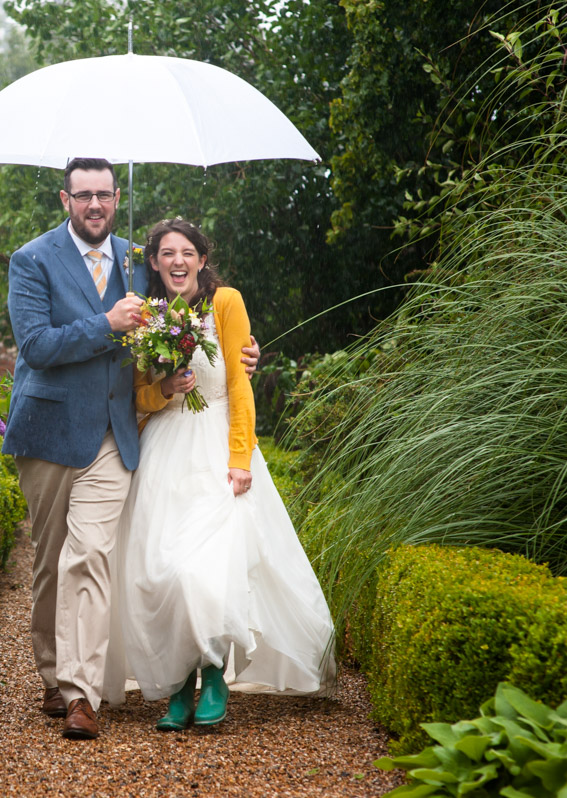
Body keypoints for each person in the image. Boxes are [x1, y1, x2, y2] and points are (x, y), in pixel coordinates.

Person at [2, 161, 260, 740]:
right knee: (50, 561)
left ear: (117, 198)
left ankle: (81, 694)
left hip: (115, 435)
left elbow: (186, 309)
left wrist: (242, 352)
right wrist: (106, 323)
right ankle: (53, 672)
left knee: (90, 555)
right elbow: (36, 346)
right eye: (83, 195)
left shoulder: (135, 261)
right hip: (49, 431)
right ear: (65, 199)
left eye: (104, 194)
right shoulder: (31, 259)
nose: (94, 204)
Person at [102, 217, 336, 731]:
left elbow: (238, 384)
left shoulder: (225, 302)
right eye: (167, 253)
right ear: (154, 262)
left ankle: (212, 677)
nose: (178, 261)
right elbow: (137, 396)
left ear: (202, 260)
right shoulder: (146, 317)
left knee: (208, 567)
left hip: (216, 445)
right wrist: (164, 390)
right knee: (160, 568)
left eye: (187, 252)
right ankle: (177, 686)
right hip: (163, 450)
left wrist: (240, 458)